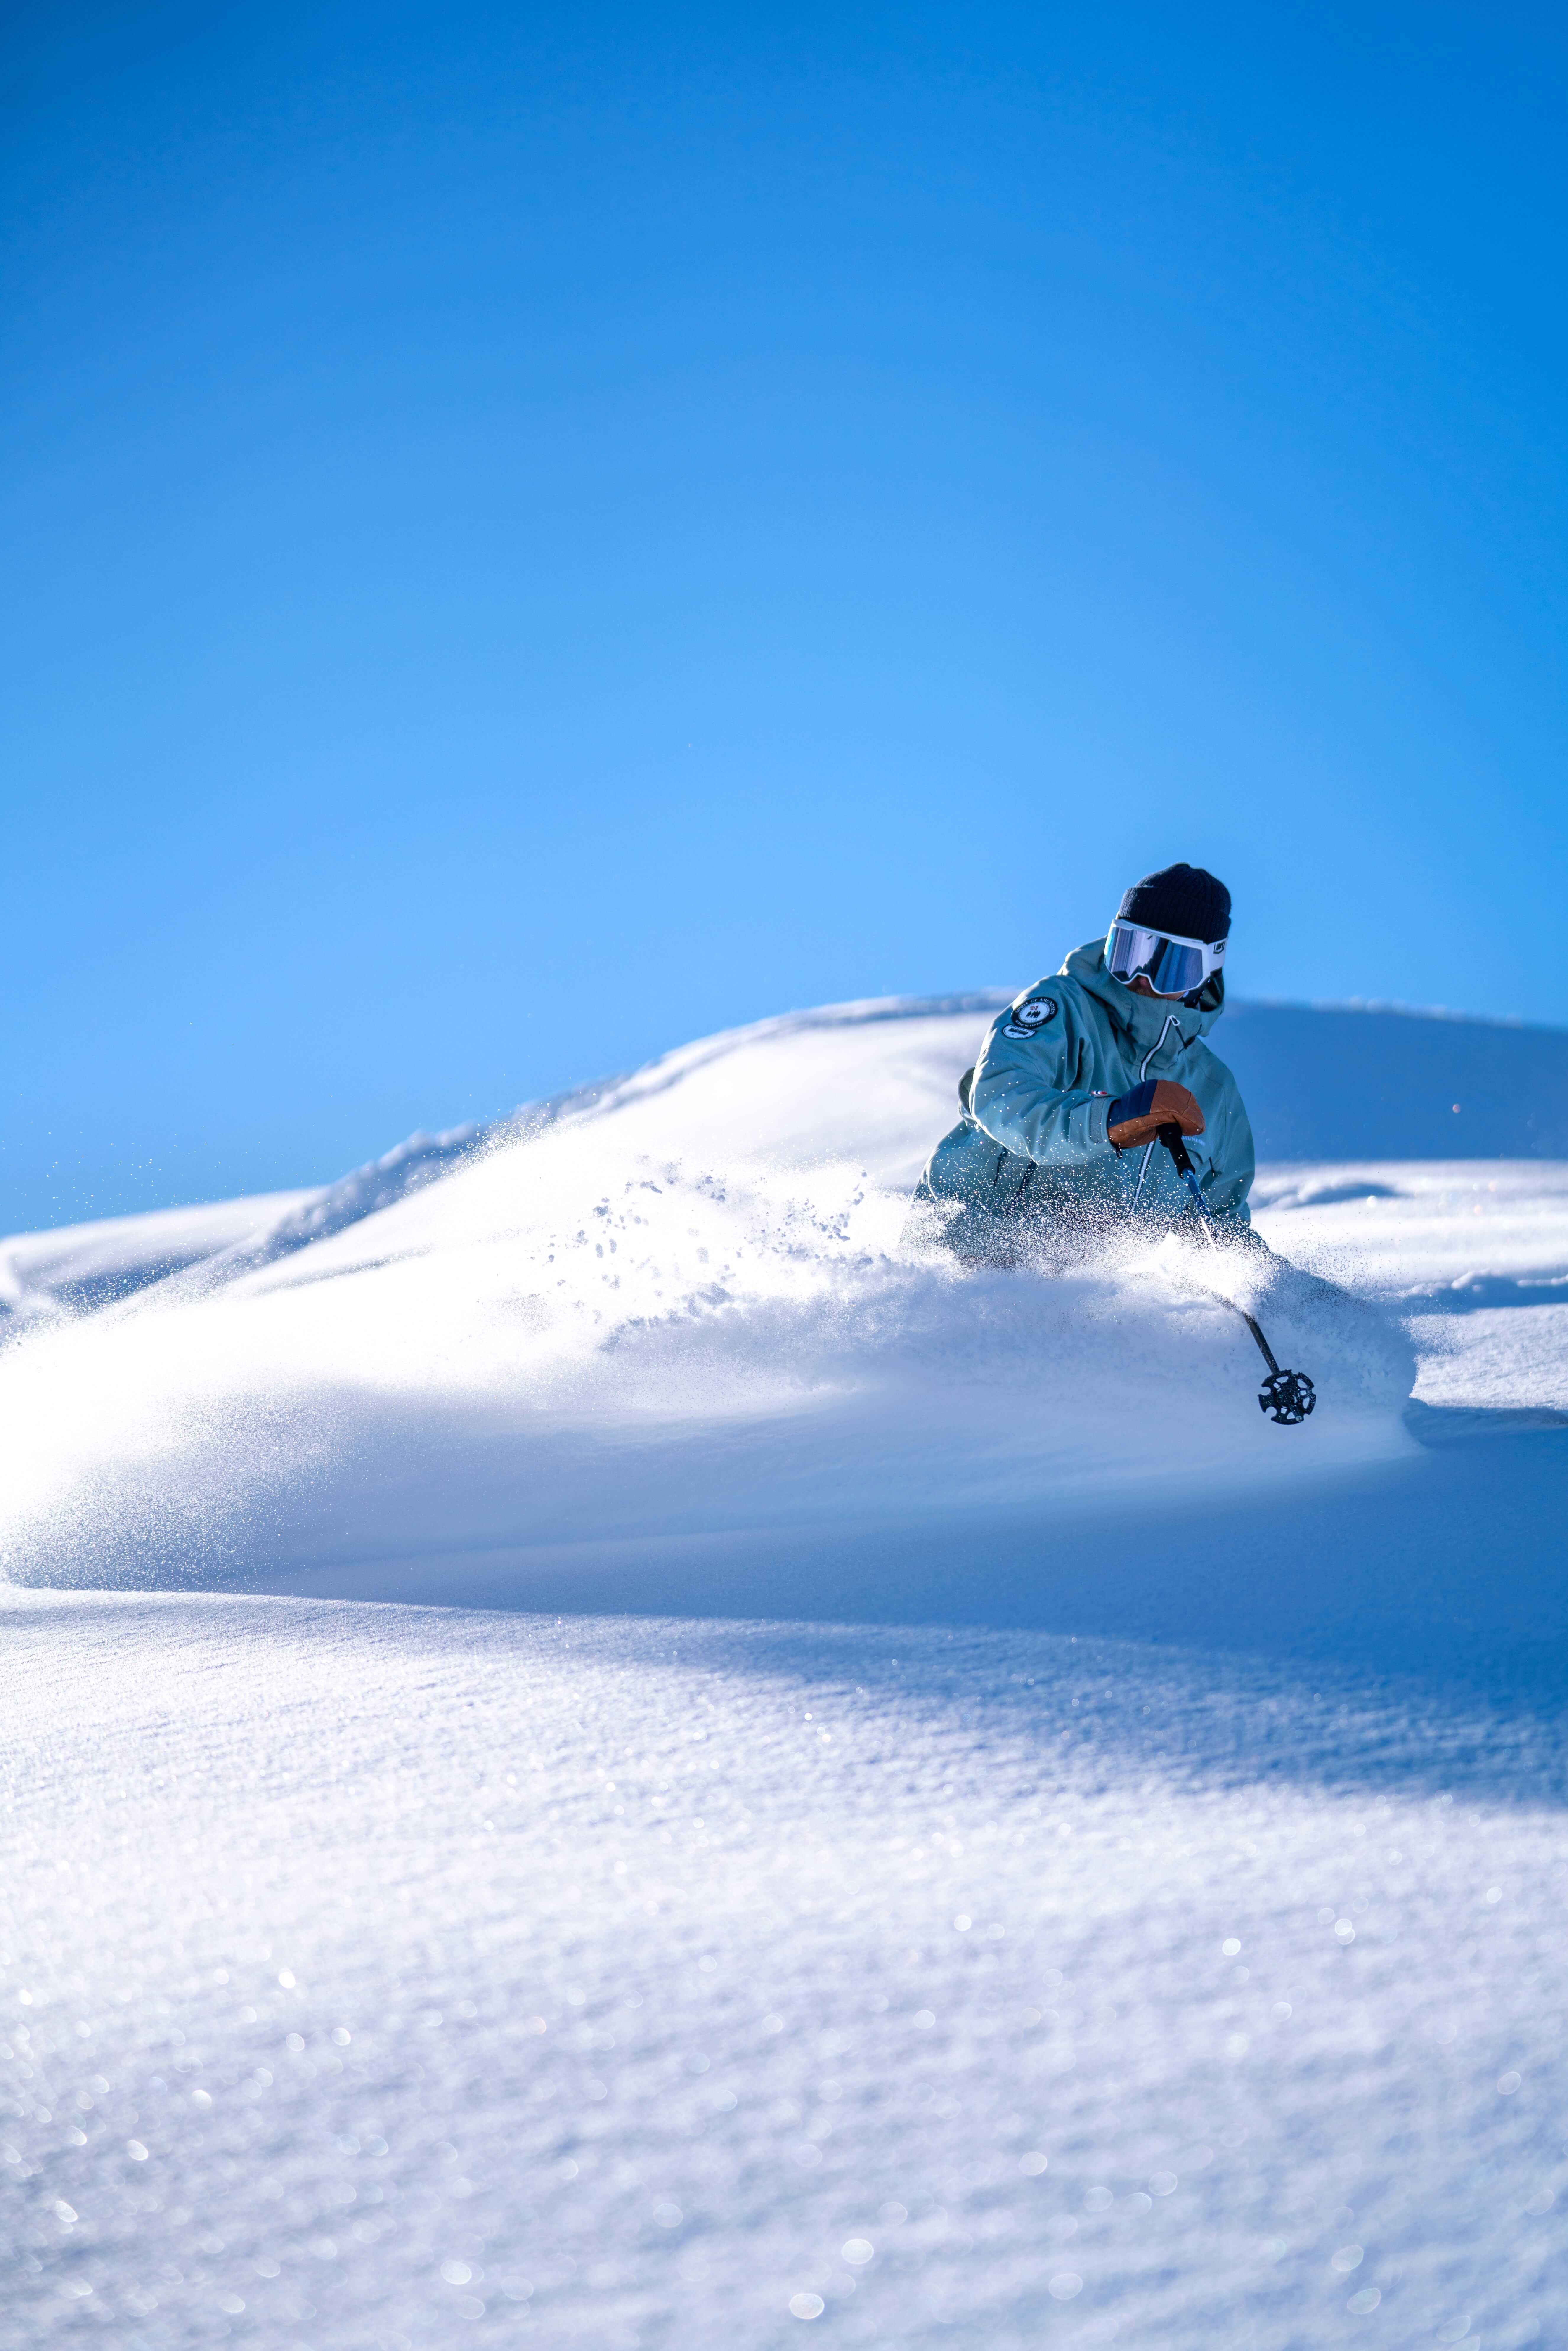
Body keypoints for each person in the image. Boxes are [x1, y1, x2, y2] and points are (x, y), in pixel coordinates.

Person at [911, 862, 1256, 1264]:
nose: (1142, 978)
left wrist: (1292, 1299)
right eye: (1130, 952)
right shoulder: (1065, 1009)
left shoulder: (1215, 1089)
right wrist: (1109, 1121)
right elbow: (1001, 1096)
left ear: (1204, 974)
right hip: (964, 1266)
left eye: (1169, 966)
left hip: (1081, 1303)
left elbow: (1221, 1227)